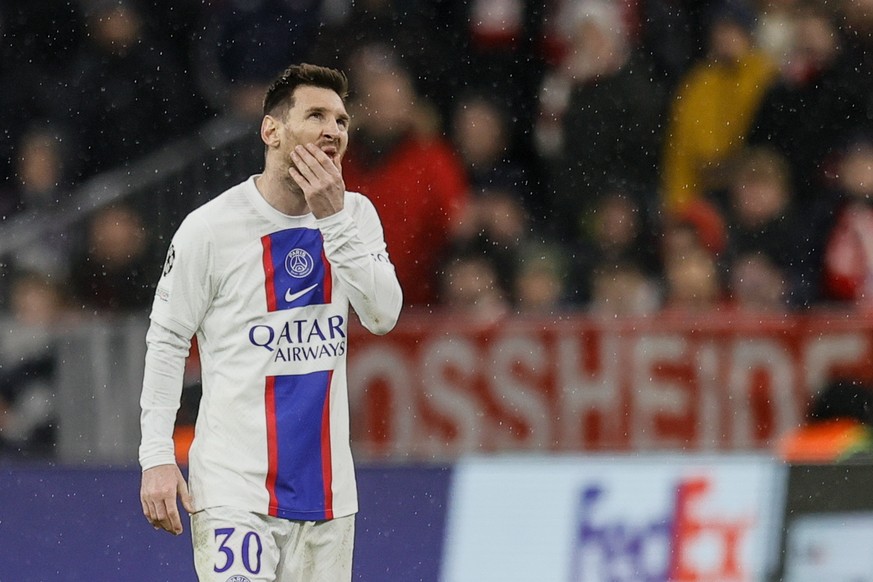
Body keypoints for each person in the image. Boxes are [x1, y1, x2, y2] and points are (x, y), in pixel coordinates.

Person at [138, 63, 403, 581]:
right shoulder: (210, 229)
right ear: (271, 130)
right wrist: (156, 456)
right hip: (235, 490)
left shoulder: (358, 216)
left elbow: (383, 315)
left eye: (343, 121)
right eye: (317, 116)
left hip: (328, 497)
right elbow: (167, 340)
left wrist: (333, 220)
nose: (333, 130)